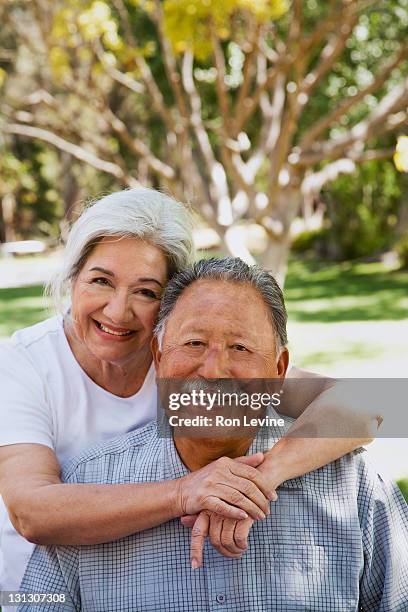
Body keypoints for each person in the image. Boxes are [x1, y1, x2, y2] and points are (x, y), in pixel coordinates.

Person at [0, 189, 380, 600]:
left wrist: (258, 480)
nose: (117, 310)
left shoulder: (191, 367)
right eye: (100, 281)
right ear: (74, 278)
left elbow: (369, 404)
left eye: (146, 291)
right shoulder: (24, 365)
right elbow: (31, 511)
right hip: (38, 590)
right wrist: (187, 491)